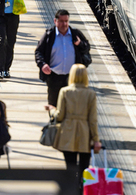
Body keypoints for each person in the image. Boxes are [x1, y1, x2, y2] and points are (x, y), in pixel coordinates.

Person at [45, 64, 102, 194]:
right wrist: (96, 139)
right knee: (84, 169)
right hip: (85, 135)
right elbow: (92, 120)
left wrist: (52, 110)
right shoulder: (91, 94)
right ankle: (82, 190)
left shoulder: (65, 92)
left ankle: (71, 190)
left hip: (67, 134)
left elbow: (59, 116)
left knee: (70, 168)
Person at [35, 9, 91, 107]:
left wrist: (79, 44)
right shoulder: (49, 35)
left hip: (72, 78)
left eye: (66, 21)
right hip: (54, 77)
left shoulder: (75, 34)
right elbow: (38, 52)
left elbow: (87, 47)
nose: (64, 24)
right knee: (54, 106)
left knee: (71, 106)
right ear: (55, 21)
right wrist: (42, 65)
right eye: (61, 21)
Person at [0, 0, 20, 79]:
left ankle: (6, 69)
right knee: (2, 39)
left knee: (11, 41)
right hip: (0, 13)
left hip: (14, 13)